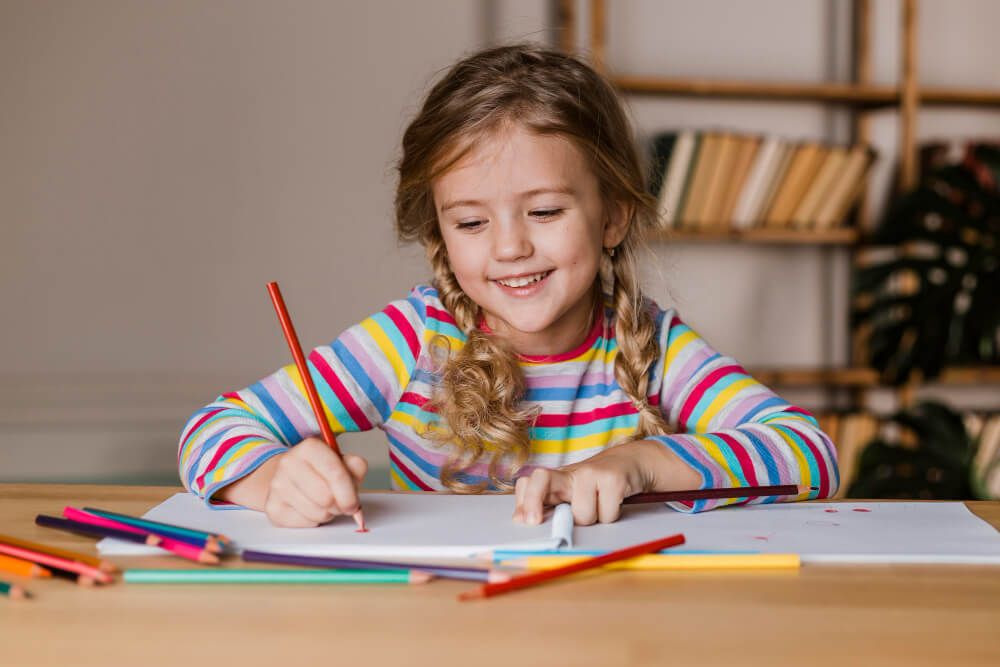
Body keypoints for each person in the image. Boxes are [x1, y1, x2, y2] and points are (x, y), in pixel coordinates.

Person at [177, 43, 838, 528]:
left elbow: (810, 455)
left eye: (545, 211)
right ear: (440, 229)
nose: (510, 246)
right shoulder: (410, 341)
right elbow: (212, 430)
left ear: (612, 215)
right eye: (470, 220)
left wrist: (638, 463)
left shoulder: (648, 342)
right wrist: (272, 482)